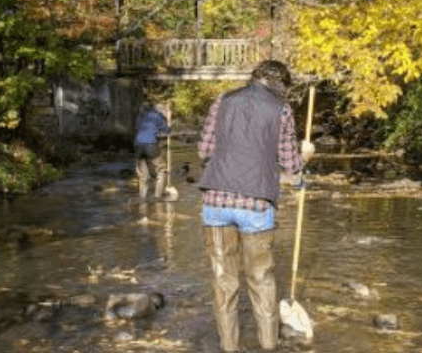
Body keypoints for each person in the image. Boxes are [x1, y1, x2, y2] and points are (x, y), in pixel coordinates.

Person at [197, 60, 315, 352]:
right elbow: (290, 165)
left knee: (223, 281)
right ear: (281, 84)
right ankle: (268, 346)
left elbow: (204, 151)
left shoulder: (222, 101)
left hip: (216, 201)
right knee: (261, 280)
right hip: (256, 203)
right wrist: (306, 156)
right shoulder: (281, 110)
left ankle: (228, 347)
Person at [134, 102, 169, 199]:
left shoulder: (140, 117)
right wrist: (169, 125)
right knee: (161, 169)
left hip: (138, 146)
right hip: (150, 146)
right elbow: (166, 130)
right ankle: (158, 196)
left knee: (143, 174)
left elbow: (138, 129)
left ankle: (142, 197)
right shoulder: (157, 116)